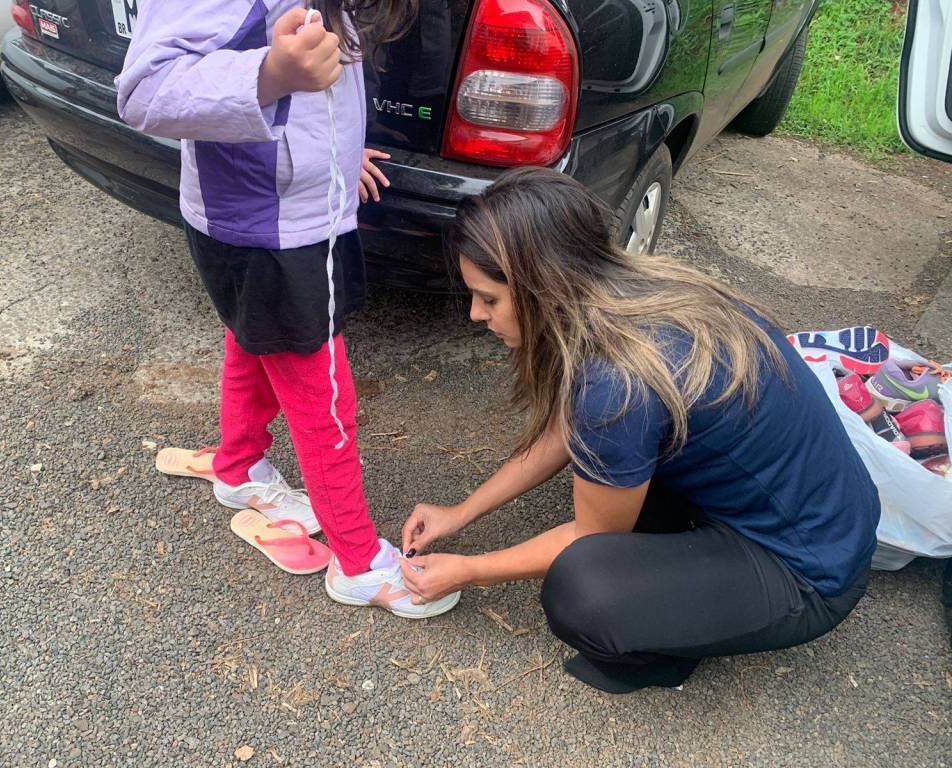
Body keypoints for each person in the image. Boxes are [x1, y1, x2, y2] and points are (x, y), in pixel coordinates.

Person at [399, 167, 880, 690]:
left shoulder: (616, 383)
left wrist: (470, 569)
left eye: (489, 298)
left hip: (810, 572)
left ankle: (663, 652)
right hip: (823, 516)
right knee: (607, 473)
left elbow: (591, 537)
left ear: (544, 285)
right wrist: (461, 512)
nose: (475, 314)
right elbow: (568, 431)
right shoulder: (636, 289)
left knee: (581, 588)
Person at [116, 0, 458, 618]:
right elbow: (144, 91)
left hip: (288, 212)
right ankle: (357, 564)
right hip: (267, 227)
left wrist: (341, 150)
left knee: (252, 337)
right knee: (323, 396)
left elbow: (318, 90)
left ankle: (238, 467)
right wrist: (269, 74)